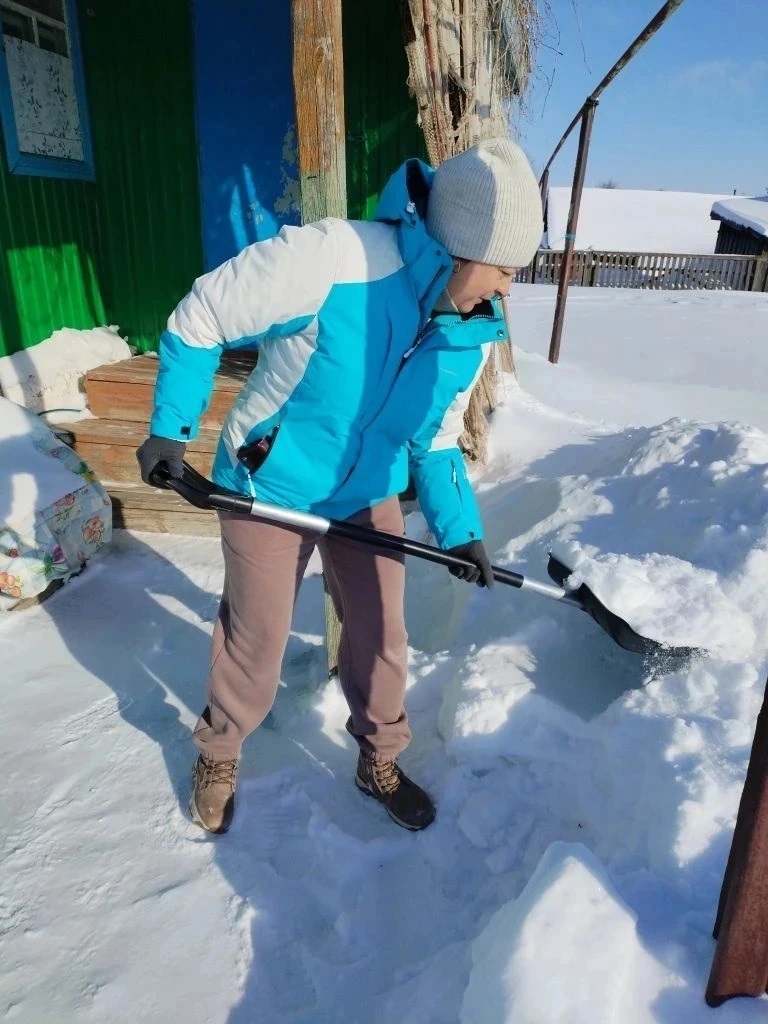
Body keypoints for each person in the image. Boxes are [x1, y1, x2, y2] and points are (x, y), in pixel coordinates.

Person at [137, 137, 543, 835]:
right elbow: (203, 315)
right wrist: (172, 428)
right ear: (463, 247)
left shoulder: (471, 333)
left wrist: (461, 530)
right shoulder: (335, 260)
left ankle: (378, 759)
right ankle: (221, 750)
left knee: (382, 635)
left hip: (365, 490)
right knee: (258, 640)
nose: (508, 288)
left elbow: (435, 439)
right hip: (270, 483)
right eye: (505, 269)